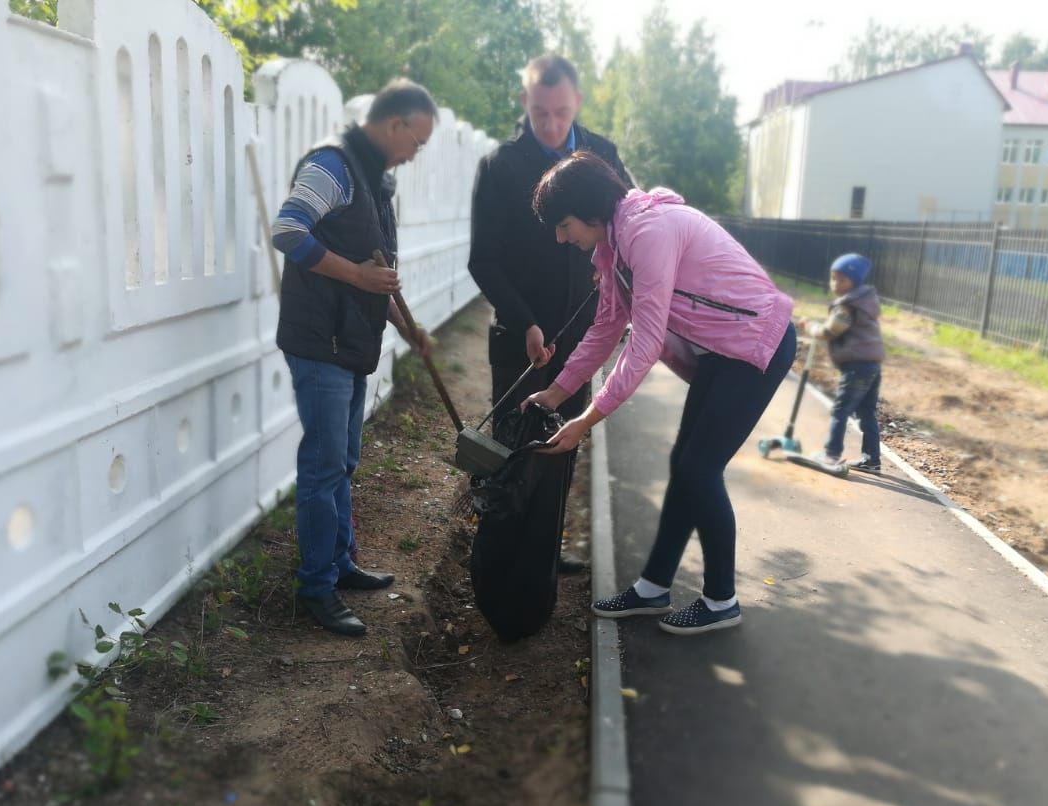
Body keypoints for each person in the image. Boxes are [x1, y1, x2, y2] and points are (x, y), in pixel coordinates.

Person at [521, 152, 797, 635]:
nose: (561, 238)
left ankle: (720, 600)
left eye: (564, 225)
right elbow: (607, 327)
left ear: (590, 211)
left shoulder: (648, 233)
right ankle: (654, 587)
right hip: (723, 353)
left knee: (699, 468)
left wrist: (586, 419)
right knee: (686, 466)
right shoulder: (612, 246)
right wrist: (556, 391)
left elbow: (644, 343)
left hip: (758, 346)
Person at [271, 79, 437, 636]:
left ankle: (340, 564)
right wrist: (360, 275)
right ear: (395, 125)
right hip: (321, 344)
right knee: (323, 466)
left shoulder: (372, 180)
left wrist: (405, 326)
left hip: (351, 342)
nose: (416, 154)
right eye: (417, 141)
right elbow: (288, 230)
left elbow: (375, 277)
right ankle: (316, 587)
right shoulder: (333, 165)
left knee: (343, 460)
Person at [469, 55, 631, 428]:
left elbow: (628, 222)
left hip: (581, 336)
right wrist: (525, 323)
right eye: (541, 112)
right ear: (525, 100)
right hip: (519, 336)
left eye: (562, 112)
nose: (552, 125)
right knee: (509, 449)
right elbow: (483, 261)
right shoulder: (499, 166)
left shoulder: (602, 156)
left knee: (560, 448)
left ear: (578, 100)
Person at [809, 253, 885, 474]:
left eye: (841, 279)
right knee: (867, 412)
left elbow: (830, 331)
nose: (835, 284)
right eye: (833, 278)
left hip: (858, 365)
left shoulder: (848, 305)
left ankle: (831, 454)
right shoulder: (865, 301)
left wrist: (811, 327)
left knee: (840, 410)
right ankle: (872, 459)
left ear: (855, 281)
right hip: (872, 364)